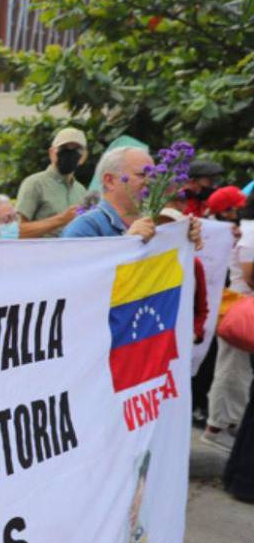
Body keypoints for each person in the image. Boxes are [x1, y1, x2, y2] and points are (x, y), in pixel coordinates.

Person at [63, 145, 201, 248]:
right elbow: (75, 279)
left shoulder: (158, 223)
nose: (151, 182)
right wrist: (128, 244)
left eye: (153, 175)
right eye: (142, 175)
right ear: (110, 181)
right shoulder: (85, 228)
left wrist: (186, 240)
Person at [203, 188, 254, 451]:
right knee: (231, 368)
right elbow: (249, 276)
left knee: (239, 369)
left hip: (240, 307)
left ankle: (230, 423)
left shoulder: (243, 230)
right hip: (240, 307)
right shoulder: (249, 232)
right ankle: (216, 426)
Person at [15, 127, 90, 238]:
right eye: (63, 148)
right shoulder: (35, 184)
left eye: (76, 150)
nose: (69, 153)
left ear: (83, 157)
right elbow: (16, 232)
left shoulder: (81, 191)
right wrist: (61, 220)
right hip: (41, 254)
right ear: (51, 152)